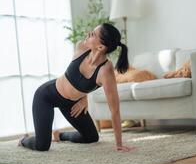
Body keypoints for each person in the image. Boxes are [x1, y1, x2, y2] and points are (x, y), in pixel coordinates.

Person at [18, 23, 135, 152]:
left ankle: (60, 135)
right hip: (47, 96)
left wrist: (119, 144)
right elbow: (76, 80)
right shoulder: (81, 47)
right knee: (42, 146)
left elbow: (115, 110)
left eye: (93, 34)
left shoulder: (105, 71)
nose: (88, 34)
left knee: (91, 137)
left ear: (101, 47)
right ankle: (23, 140)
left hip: (70, 103)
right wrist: (84, 97)